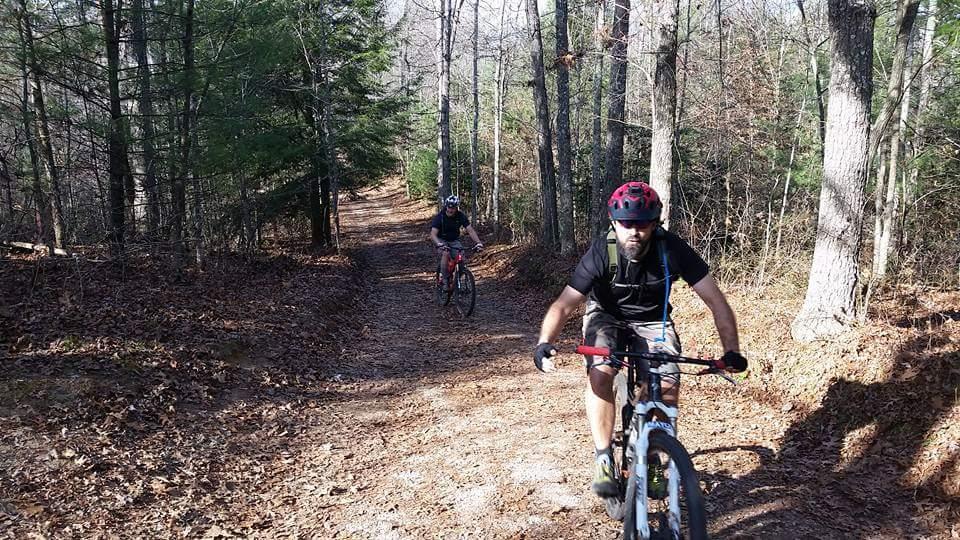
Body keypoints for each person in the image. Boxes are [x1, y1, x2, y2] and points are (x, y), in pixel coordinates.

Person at [532, 180, 747, 499]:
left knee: (667, 385)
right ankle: (604, 457)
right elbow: (564, 304)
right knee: (601, 372)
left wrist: (731, 350)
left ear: (655, 223)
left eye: (642, 223)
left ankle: (654, 454)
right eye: (626, 223)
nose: (634, 231)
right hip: (607, 316)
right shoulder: (602, 252)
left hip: (653, 321)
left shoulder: (672, 249)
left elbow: (716, 301)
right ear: (613, 222)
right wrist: (545, 341)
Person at [429, 195, 483, 289]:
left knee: (461, 257)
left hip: (454, 240)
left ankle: (458, 276)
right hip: (441, 240)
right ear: (446, 206)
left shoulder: (460, 216)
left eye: (453, 208)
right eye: (449, 207)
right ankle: (445, 280)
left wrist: (478, 243)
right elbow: (433, 234)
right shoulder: (440, 217)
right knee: (445, 253)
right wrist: (438, 243)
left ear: (456, 208)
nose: (450, 210)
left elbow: (470, 230)